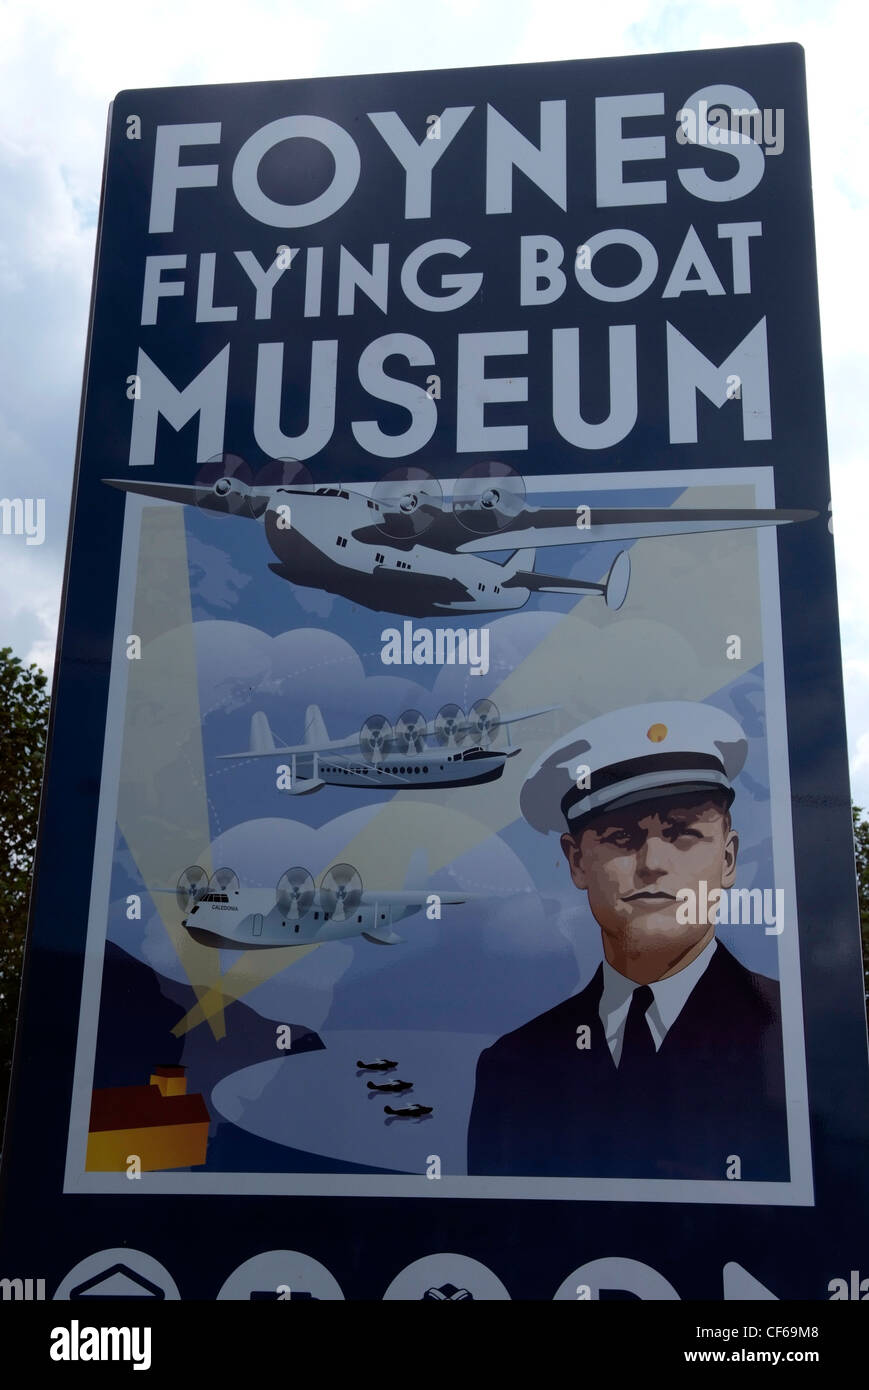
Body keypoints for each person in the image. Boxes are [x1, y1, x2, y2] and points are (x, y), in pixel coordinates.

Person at [467, 701, 789, 1181]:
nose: (652, 862)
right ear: (576, 861)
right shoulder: (513, 1066)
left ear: (728, 859)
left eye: (682, 834)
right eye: (621, 837)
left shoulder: (795, 1038)